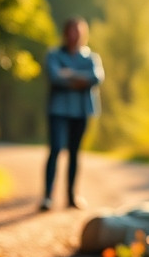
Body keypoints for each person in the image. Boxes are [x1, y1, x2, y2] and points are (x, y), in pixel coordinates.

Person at [41, 17, 104, 211]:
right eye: (71, 31)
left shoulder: (91, 57)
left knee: (75, 154)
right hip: (58, 110)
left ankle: (71, 197)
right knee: (56, 150)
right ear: (65, 33)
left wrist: (68, 74)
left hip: (81, 111)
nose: (74, 35)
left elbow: (96, 78)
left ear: (83, 34)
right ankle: (47, 197)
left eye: (78, 31)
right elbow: (54, 77)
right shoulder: (54, 54)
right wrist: (80, 80)